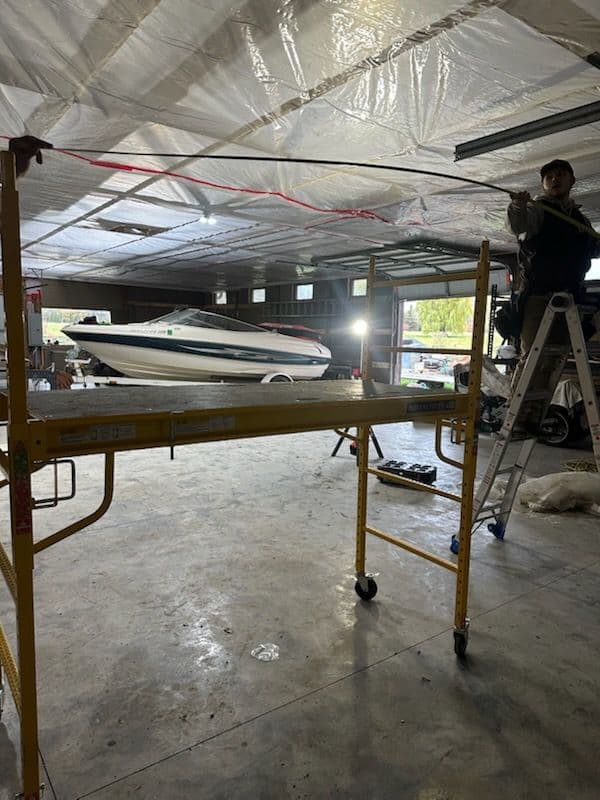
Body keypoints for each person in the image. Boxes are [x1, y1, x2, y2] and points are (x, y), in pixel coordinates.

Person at [506, 158, 600, 430]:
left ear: (572, 181)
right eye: (549, 177)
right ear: (543, 184)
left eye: (560, 175)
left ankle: (535, 416)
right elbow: (519, 225)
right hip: (539, 295)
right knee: (534, 356)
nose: (555, 179)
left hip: (569, 296)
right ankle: (517, 417)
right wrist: (518, 206)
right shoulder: (539, 210)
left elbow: (589, 250)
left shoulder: (580, 220)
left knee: (554, 358)